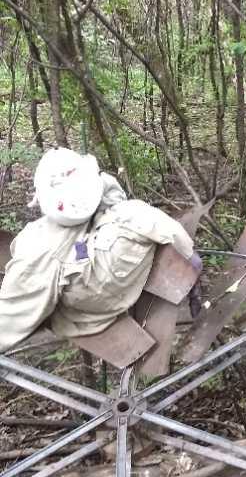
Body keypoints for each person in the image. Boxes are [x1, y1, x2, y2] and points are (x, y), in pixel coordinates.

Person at [0, 147, 201, 352]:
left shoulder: (42, 247)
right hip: (118, 277)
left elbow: (10, 315)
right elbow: (169, 232)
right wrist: (191, 260)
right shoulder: (129, 211)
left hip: (92, 309)